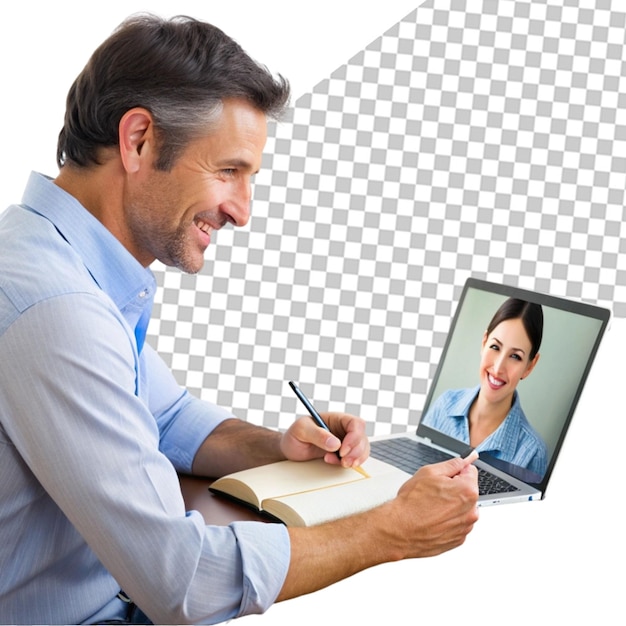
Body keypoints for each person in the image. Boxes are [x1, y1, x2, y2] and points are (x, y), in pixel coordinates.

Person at [0, 14, 479, 625]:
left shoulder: (57, 258)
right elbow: (181, 580)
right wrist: (390, 530)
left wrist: (275, 448)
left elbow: (165, 416)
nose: (242, 211)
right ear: (139, 139)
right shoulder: (56, 310)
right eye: (229, 171)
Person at [423, 298, 548, 477]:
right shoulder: (444, 405)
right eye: (495, 347)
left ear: (529, 366)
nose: (498, 368)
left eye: (515, 356)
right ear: (484, 342)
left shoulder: (533, 452)